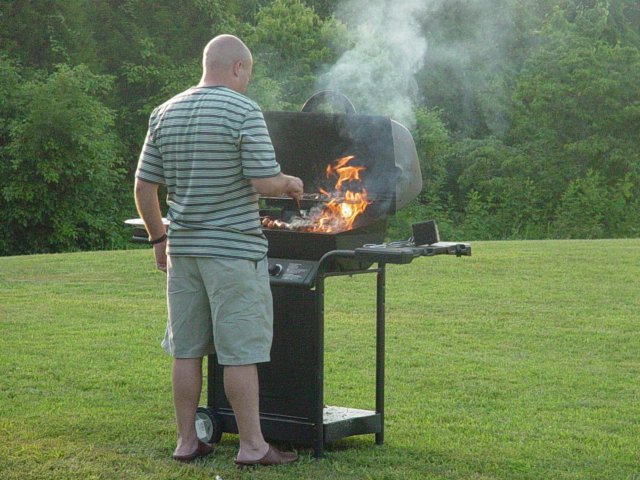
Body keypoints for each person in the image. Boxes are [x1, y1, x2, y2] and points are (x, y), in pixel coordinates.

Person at [134, 34, 303, 468]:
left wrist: (159, 240)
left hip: (184, 251)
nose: (248, 81)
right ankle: (252, 447)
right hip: (233, 251)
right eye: (248, 73)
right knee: (240, 351)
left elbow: (144, 187)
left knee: (186, 349)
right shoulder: (243, 110)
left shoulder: (164, 111)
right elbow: (265, 182)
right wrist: (290, 182)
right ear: (237, 68)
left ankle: (187, 442)